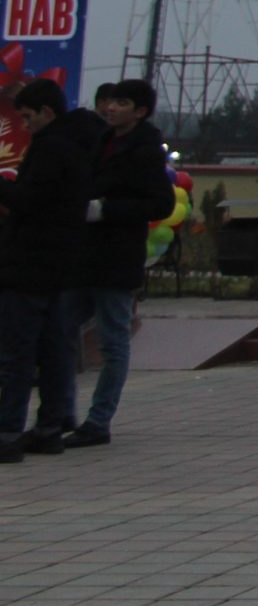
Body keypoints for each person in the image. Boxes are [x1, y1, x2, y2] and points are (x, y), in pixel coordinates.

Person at [59, 79, 175, 449]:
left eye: (122, 103)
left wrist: (107, 209)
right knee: (60, 332)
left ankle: (98, 420)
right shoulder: (101, 140)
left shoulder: (146, 150)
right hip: (83, 254)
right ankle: (60, 413)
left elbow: (161, 204)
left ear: (140, 111)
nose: (111, 108)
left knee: (112, 341)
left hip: (116, 258)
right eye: (110, 101)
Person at [0, 80, 99, 461]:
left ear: (46, 112)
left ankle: (7, 432)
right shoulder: (80, 143)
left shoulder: (50, 147)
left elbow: (29, 201)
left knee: (18, 353)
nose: (25, 126)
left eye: (28, 118)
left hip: (29, 263)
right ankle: (49, 428)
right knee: (55, 350)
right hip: (62, 263)